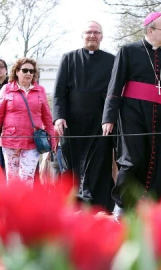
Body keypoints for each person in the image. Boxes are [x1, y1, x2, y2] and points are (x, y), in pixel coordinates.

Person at [102, 12, 161, 219]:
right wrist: (109, 117)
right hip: (132, 114)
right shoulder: (128, 51)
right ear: (150, 30)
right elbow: (115, 85)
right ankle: (122, 207)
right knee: (133, 161)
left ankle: (156, 209)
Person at [53, 21, 115, 211]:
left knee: (99, 165)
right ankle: (72, 205)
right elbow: (59, 92)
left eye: (97, 32)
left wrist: (111, 118)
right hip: (73, 124)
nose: (92, 36)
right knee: (72, 166)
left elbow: (115, 93)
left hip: (101, 124)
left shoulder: (112, 60)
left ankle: (98, 206)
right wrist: (59, 117)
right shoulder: (68, 58)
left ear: (102, 37)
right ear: (82, 36)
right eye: (89, 32)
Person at [0, 58, 56, 186]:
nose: (29, 73)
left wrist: (52, 139)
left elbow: (47, 117)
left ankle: (25, 206)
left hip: (32, 142)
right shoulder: (7, 89)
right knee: (12, 180)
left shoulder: (40, 90)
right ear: (17, 72)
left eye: (32, 71)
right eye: (25, 70)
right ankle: (11, 206)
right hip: (10, 141)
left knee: (26, 179)